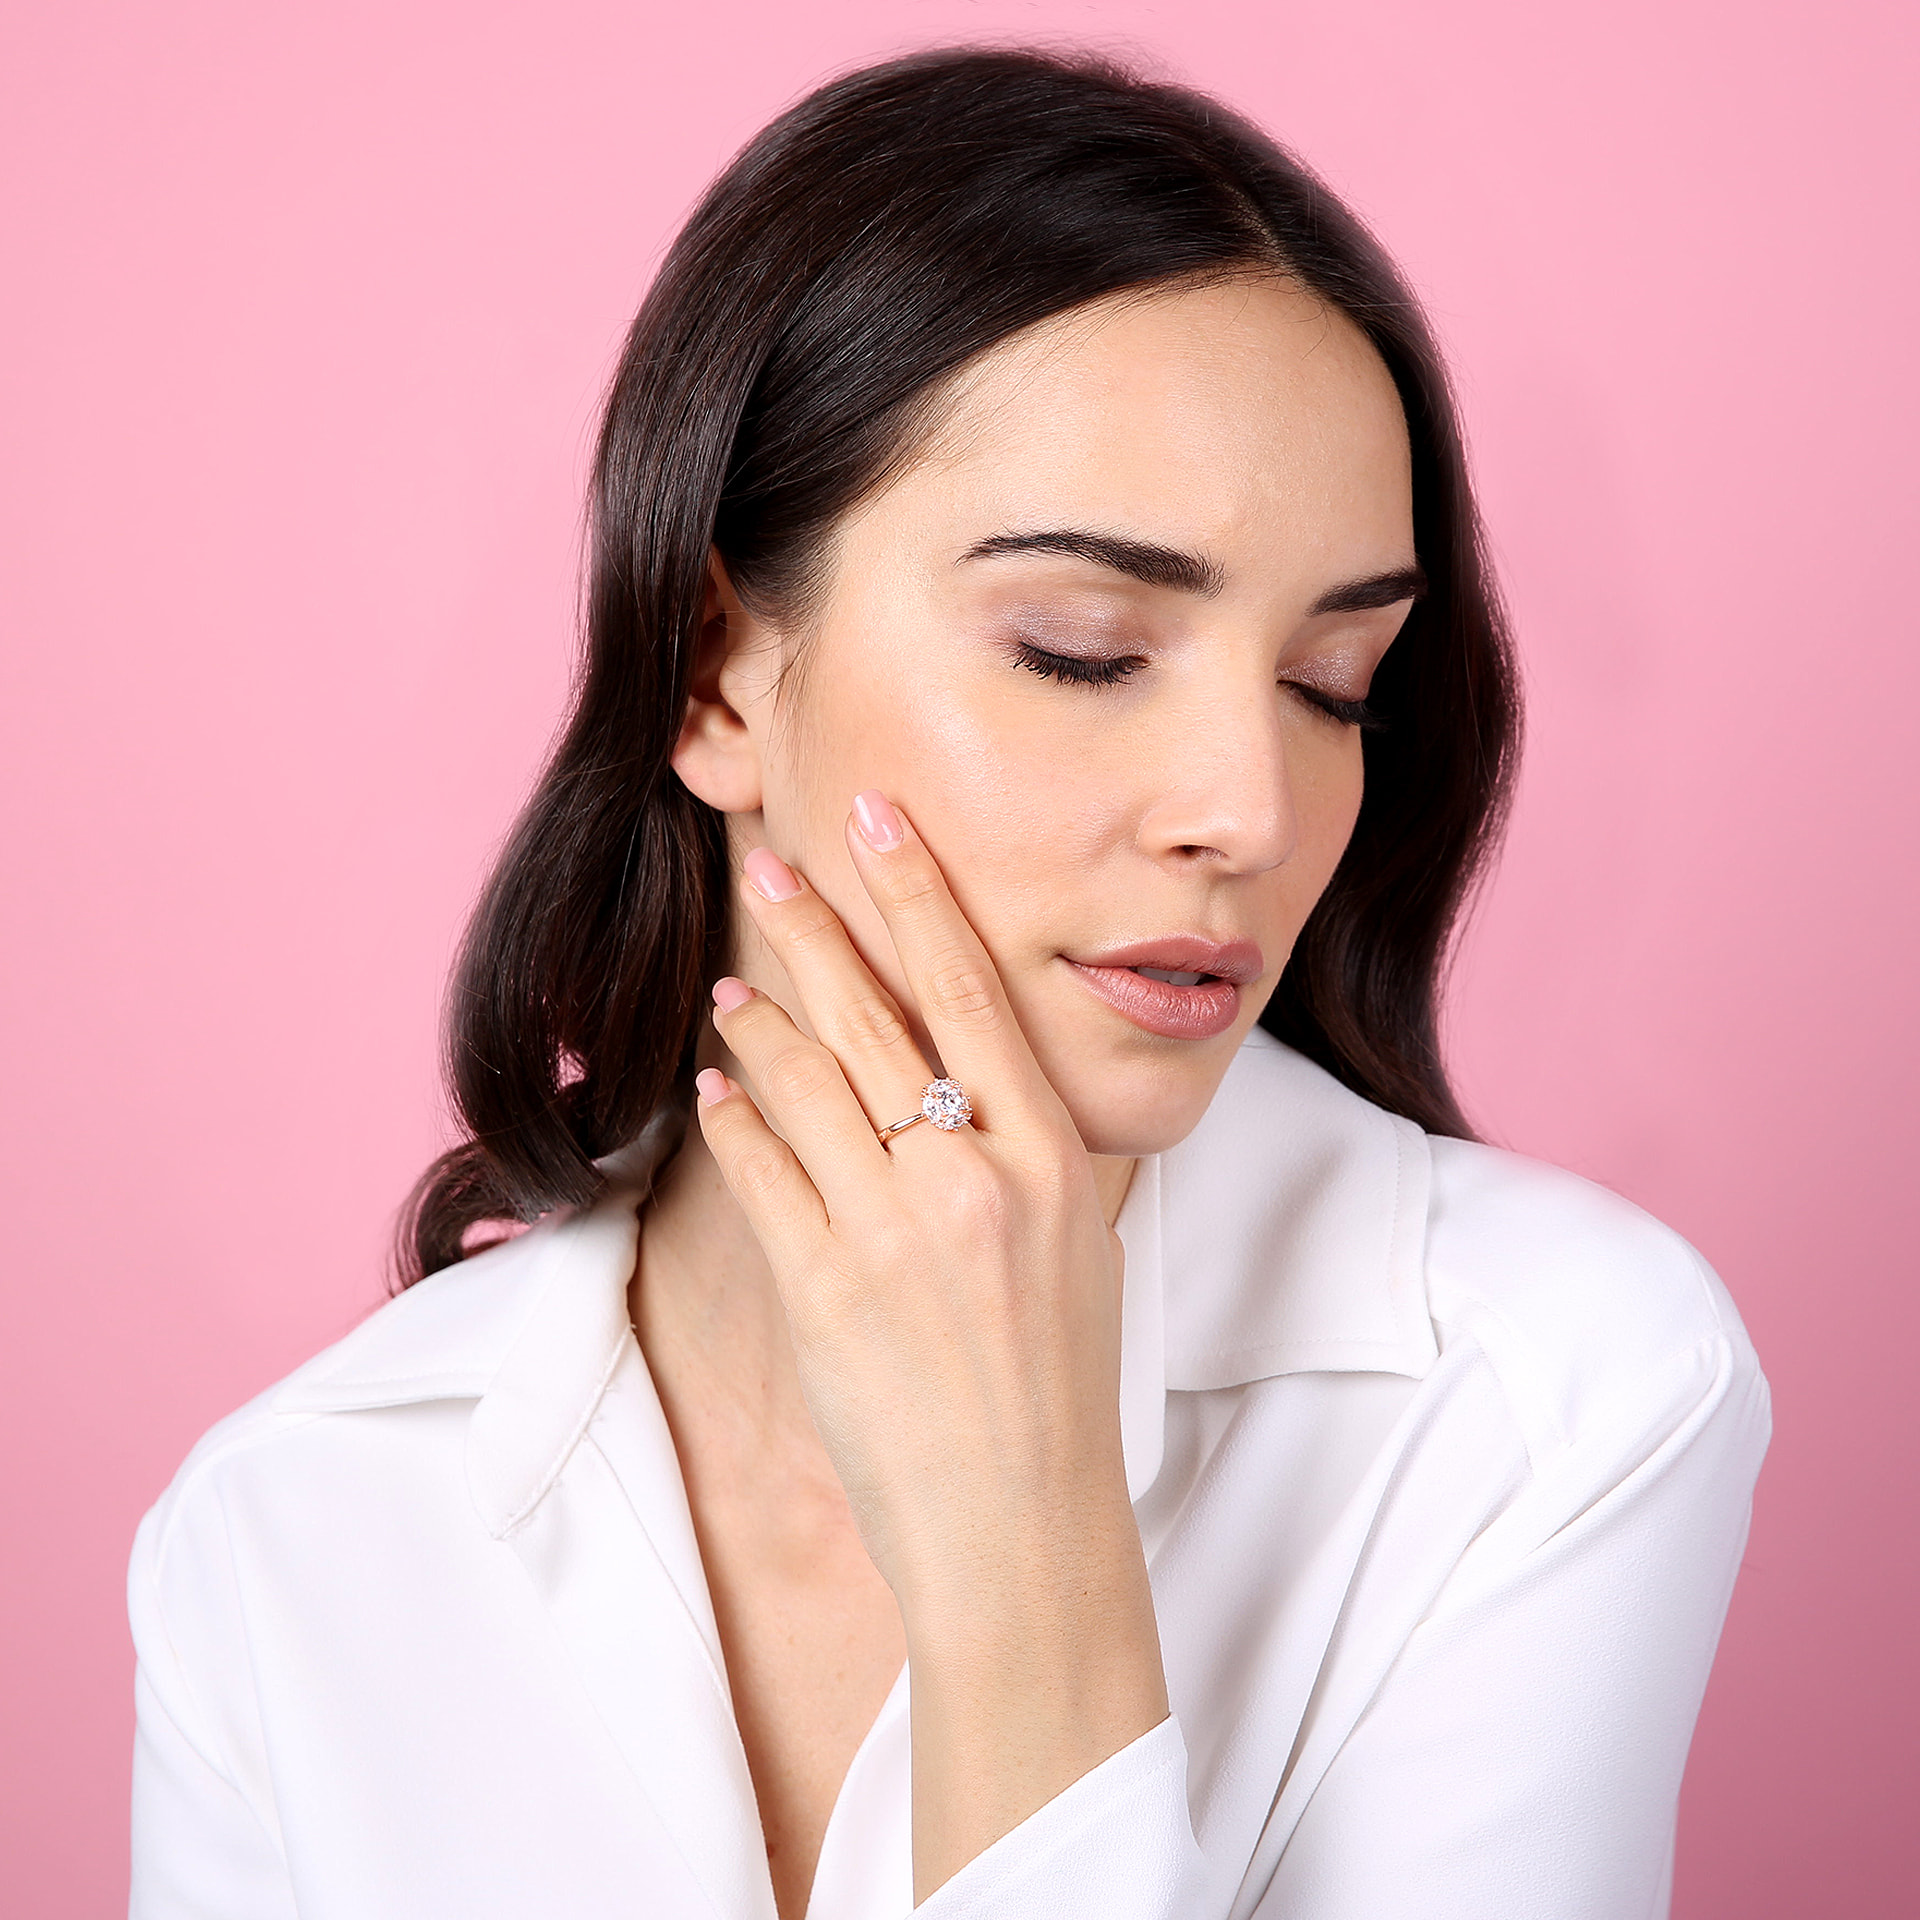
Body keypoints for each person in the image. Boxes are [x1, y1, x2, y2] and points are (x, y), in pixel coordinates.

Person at [126, 45, 1770, 1920]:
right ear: (718, 675)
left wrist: (1022, 1547)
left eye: (1335, 686)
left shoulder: (1550, 1389)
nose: (1250, 807)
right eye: (1081, 650)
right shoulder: (289, 1534)